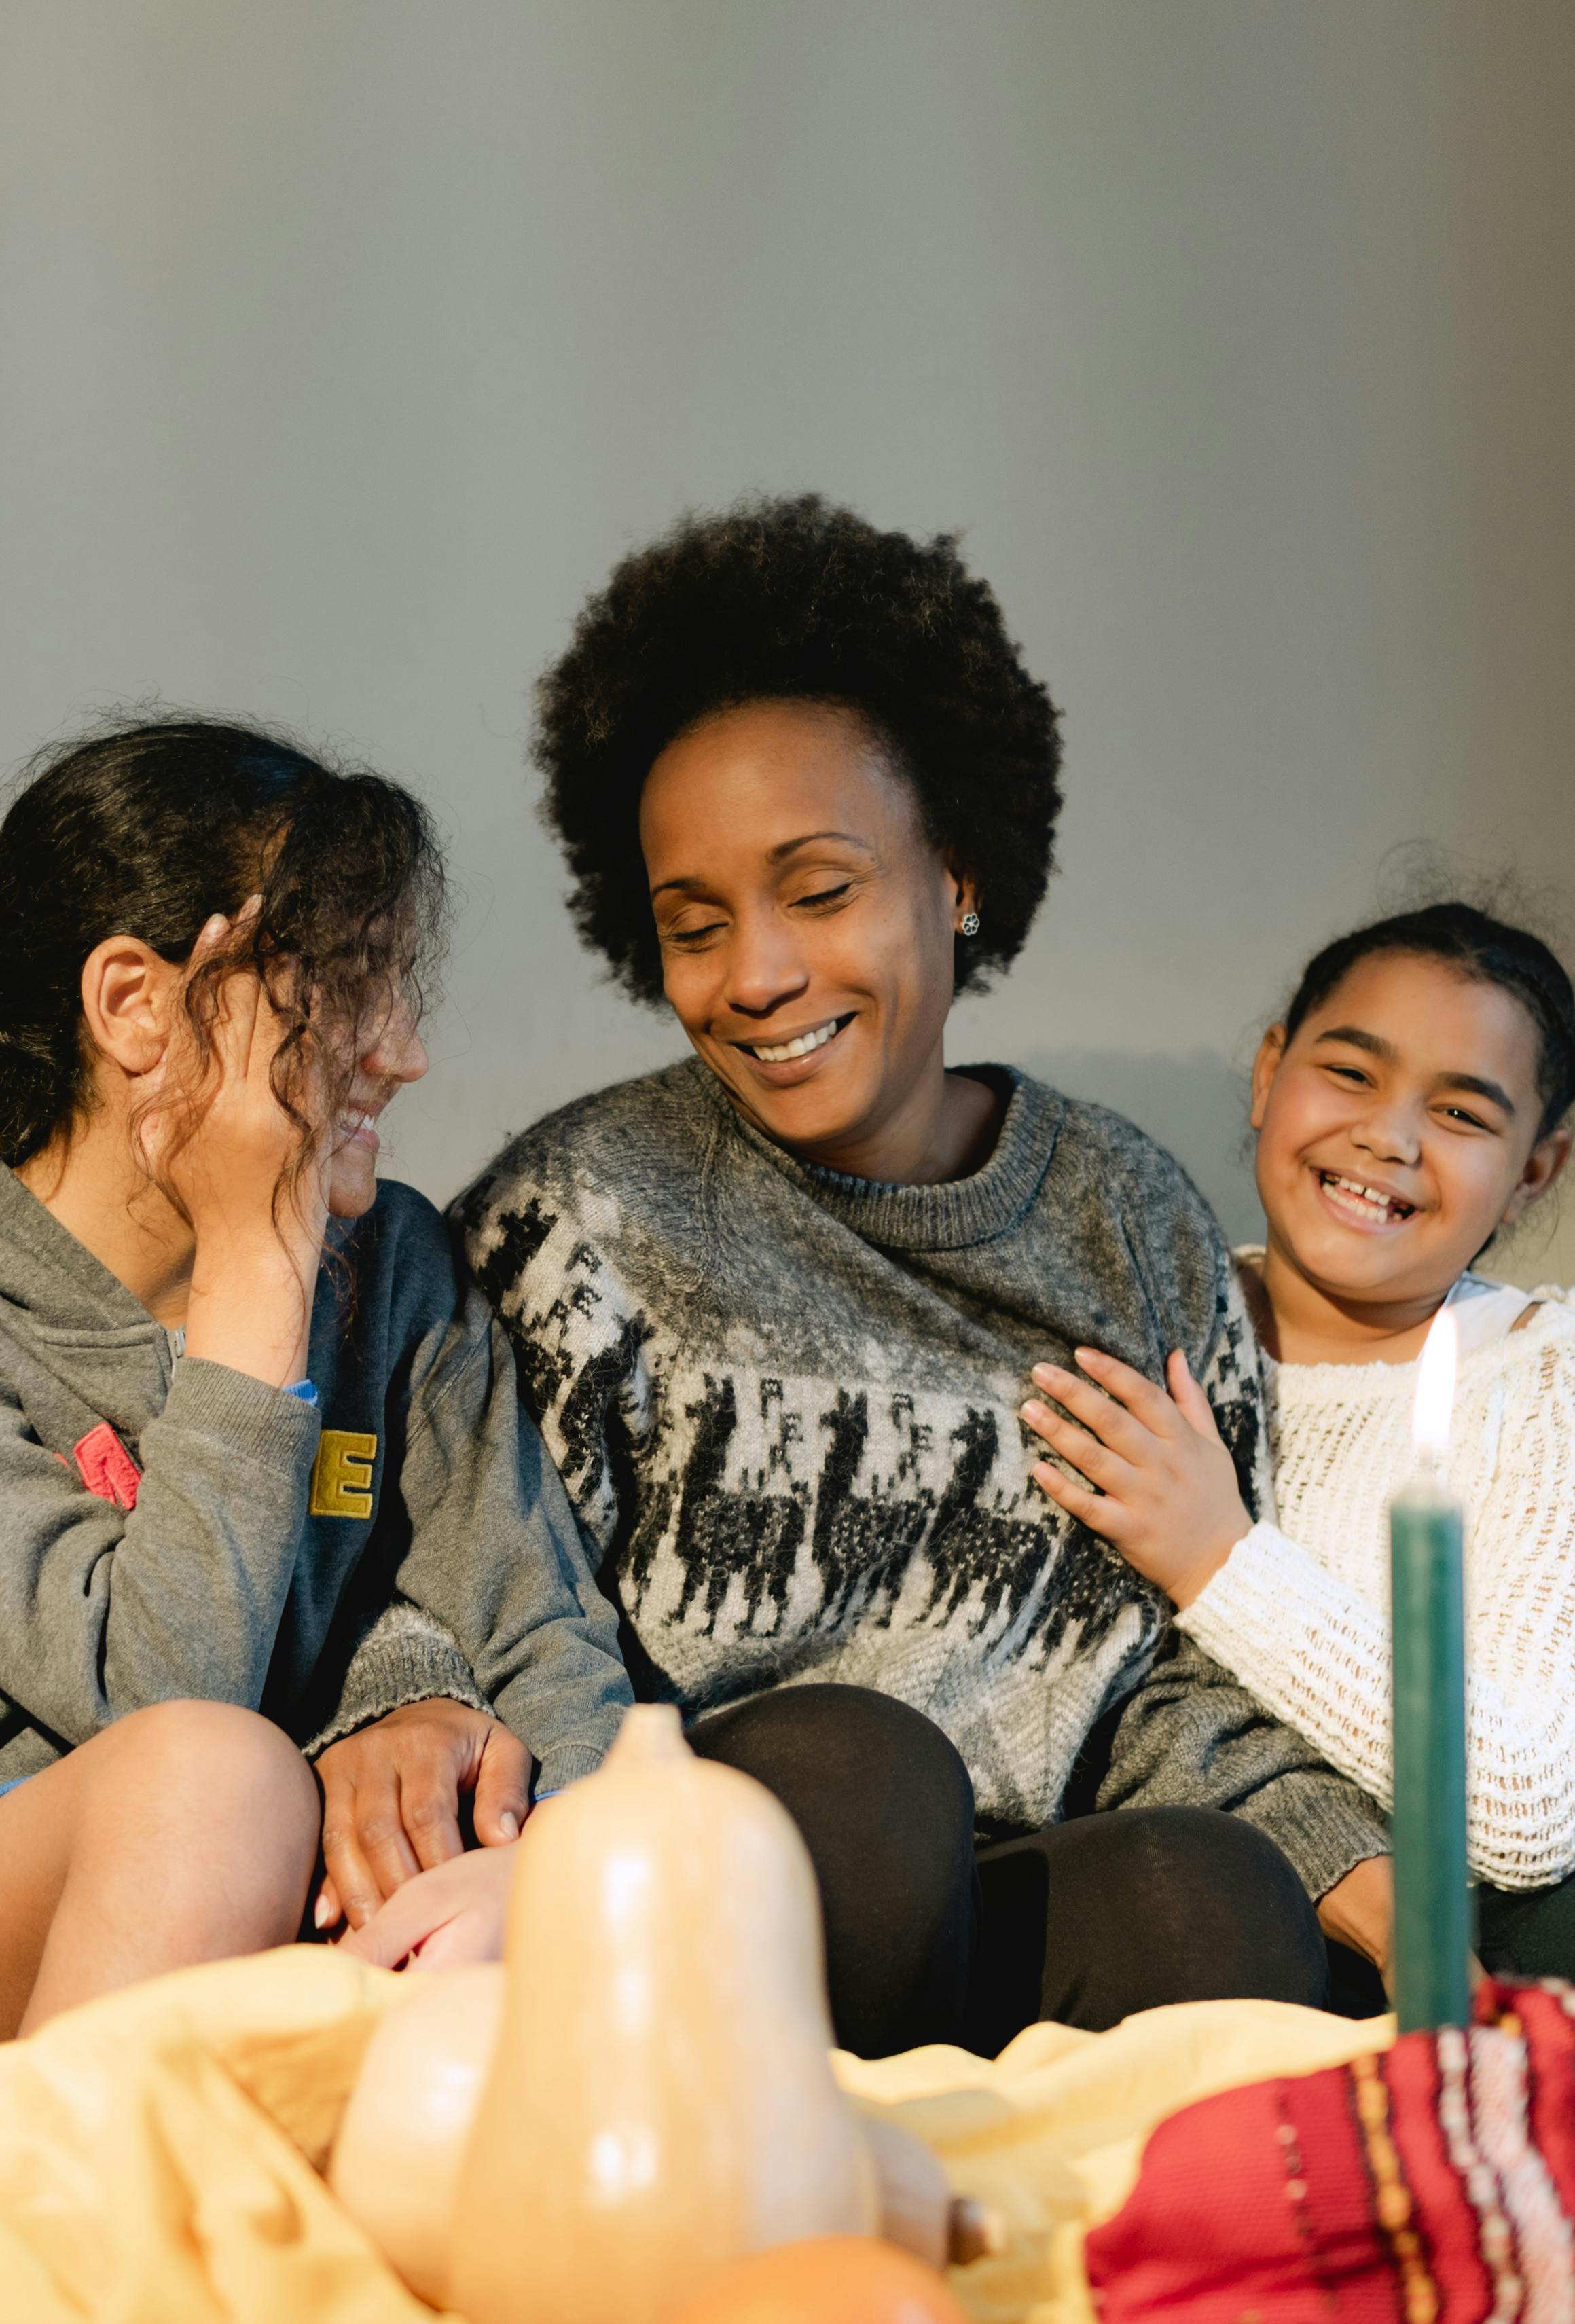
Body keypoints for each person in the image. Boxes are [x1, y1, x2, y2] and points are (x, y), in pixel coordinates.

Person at [372, 495, 1396, 2053]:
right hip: (704, 1864)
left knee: (1219, 1898)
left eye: (820, 888)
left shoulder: (1129, 1222)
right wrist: (404, 1695)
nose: (757, 975)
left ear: (957, 875)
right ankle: (789, 2228)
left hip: (991, 1892)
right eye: (693, 923)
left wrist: (1382, 1885)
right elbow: (438, 1551)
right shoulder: (578, 1216)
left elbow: (1164, 1678)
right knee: (866, 1775)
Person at [0, 716, 630, 2035]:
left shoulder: (394, 1261)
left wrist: (544, 1866)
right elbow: (159, 1698)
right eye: (345, 982)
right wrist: (252, 1265)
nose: (399, 1050)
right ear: (133, 1006)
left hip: (258, 1926)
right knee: (211, 1781)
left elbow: (545, 1641)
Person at [1019, 901, 1575, 2003]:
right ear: (1271, 1072)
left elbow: (1523, 1807)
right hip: (1187, 1906)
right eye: (1352, 1073)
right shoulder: (1130, 1334)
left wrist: (1219, 1559)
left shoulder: (1543, 1376)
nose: (1389, 1136)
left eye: (1462, 1111)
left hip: (1466, 1935)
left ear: (1533, 1170)